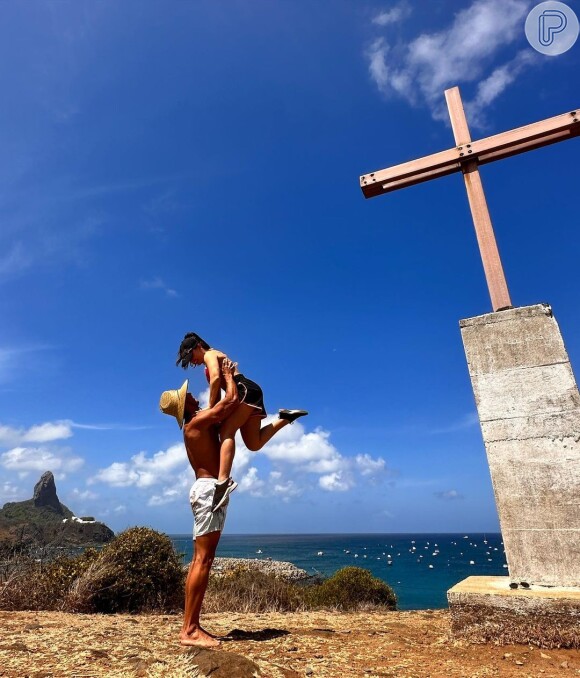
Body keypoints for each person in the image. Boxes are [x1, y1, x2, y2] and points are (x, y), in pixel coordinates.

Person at [176, 332, 307, 511]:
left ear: (198, 346)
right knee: (254, 443)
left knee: (226, 432)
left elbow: (215, 378)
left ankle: (222, 482)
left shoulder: (210, 354)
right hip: (249, 391)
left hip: (243, 389)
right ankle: (285, 418)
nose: (192, 362)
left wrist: (211, 407)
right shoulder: (211, 355)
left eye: (191, 356)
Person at [159, 358, 239, 648]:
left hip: (202, 490)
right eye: (187, 396)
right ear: (185, 406)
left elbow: (216, 404)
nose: (192, 395)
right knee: (203, 561)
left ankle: (191, 626)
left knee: (199, 560)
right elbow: (229, 402)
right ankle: (189, 630)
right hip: (208, 491)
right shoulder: (196, 422)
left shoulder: (194, 424)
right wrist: (229, 376)